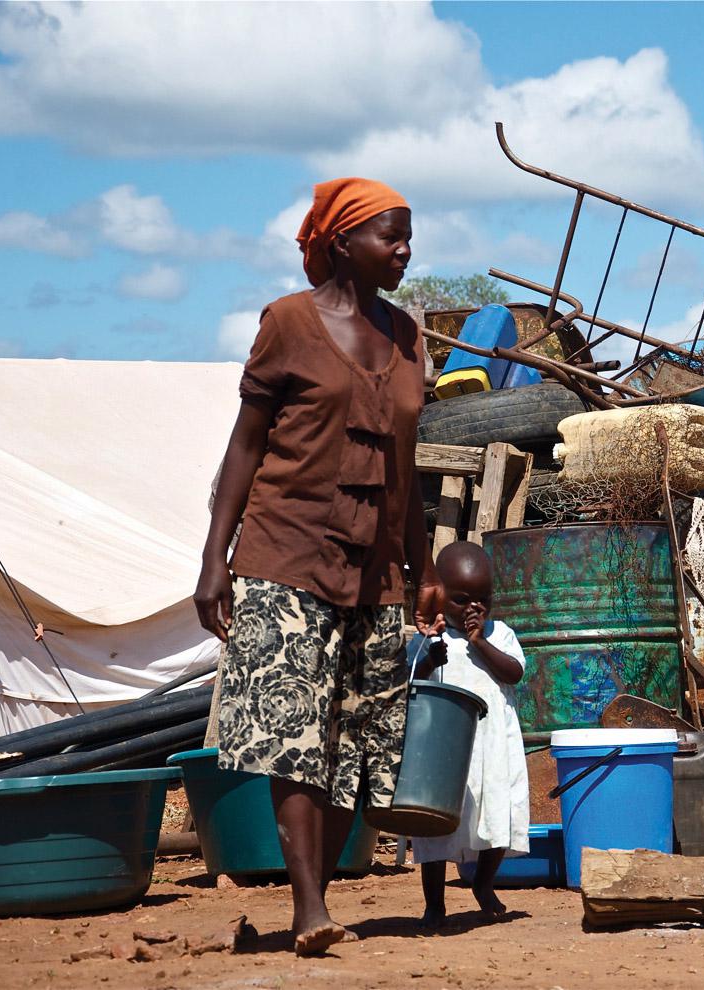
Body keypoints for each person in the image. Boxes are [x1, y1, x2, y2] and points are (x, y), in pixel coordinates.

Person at [193, 178, 443, 957]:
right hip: (286, 554)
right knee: (294, 738)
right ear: (342, 242)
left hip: (375, 573)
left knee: (357, 742)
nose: (404, 250)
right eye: (389, 237)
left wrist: (421, 566)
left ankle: (319, 898)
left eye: (408, 238)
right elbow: (245, 446)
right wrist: (215, 559)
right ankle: (306, 905)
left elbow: (408, 466)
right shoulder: (289, 324)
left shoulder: (408, 337)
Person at [408, 541, 529, 928]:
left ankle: (483, 883)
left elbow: (514, 673)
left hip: (492, 744)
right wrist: (428, 660)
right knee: (436, 827)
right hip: (445, 750)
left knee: (498, 815)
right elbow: (408, 680)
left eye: (483, 599)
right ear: (439, 597)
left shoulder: (501, 633)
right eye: (462, 600)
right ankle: (434, 903)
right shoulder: (432, 637)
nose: (474, 608)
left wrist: (480, 642)